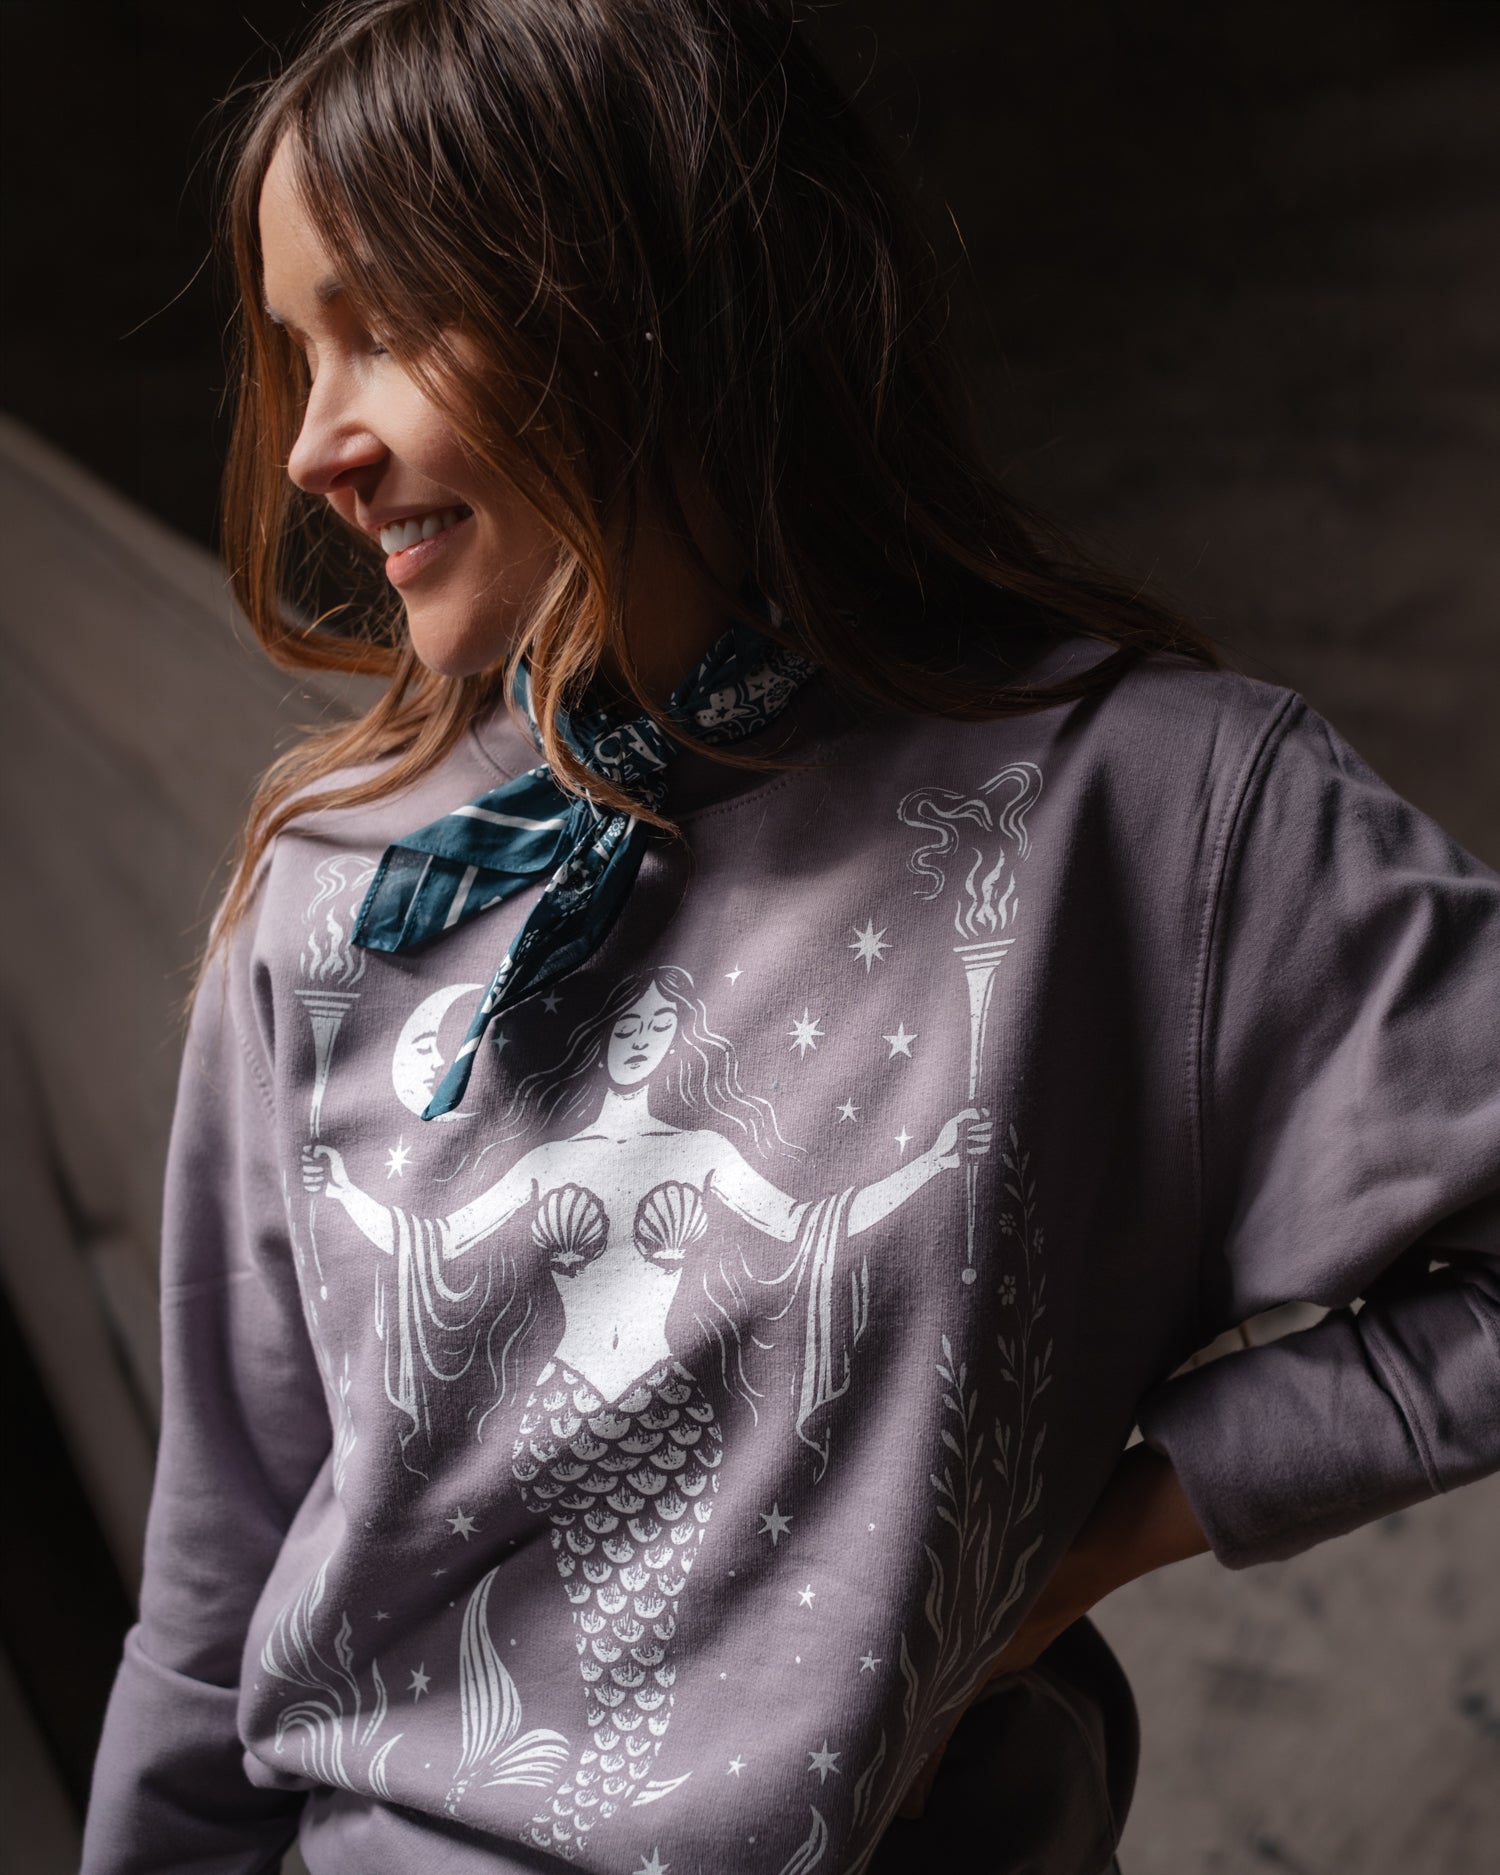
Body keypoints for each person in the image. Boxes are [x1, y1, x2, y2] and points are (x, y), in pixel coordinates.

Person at [82, 3, 1498, 1873]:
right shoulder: (337, 885)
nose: (319, 445)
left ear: (640, 289)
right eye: (293, 350)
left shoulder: (1154, 818)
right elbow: (216, 1597)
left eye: (388, 325)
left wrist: (1103, 1535)